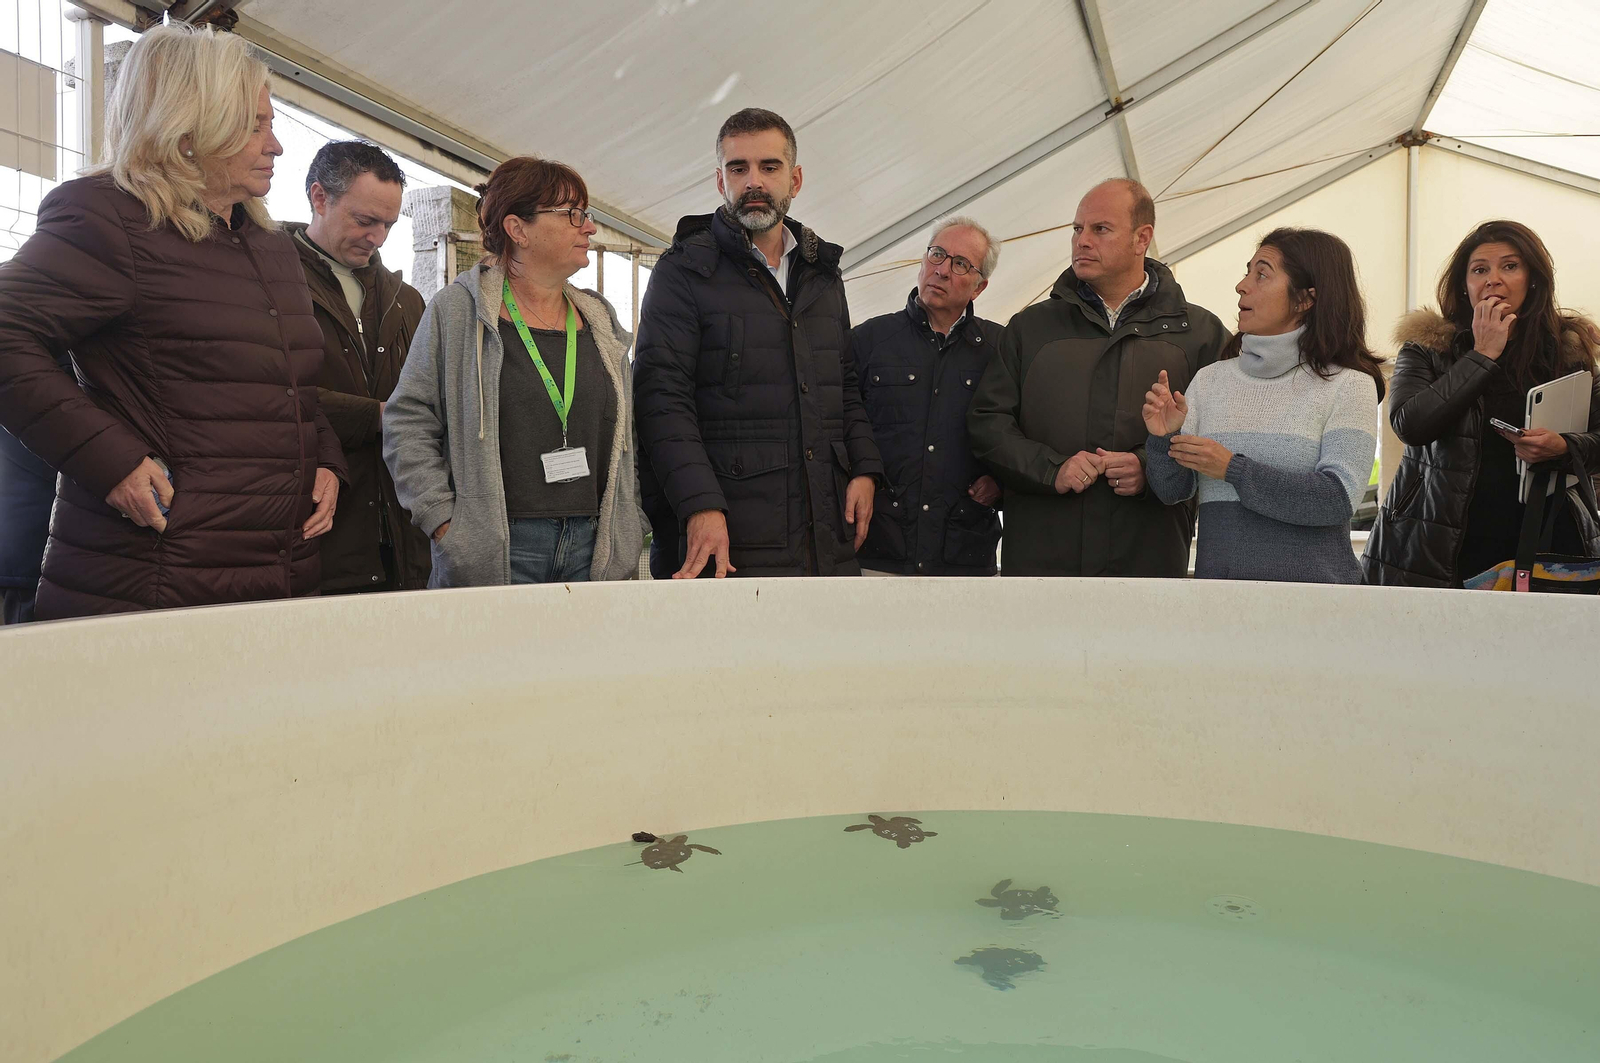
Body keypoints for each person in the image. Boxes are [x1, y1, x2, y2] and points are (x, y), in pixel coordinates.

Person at [0, 24, 345, 620]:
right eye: (255, 125)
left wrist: (327, 462)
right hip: (151, 575)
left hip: (277, 571)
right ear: (190, 129)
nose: (277, 146)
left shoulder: (270, 244)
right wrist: (108, 461)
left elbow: (289, 388)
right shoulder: (107, 217)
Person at [634, 107, 883, 579]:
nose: (754, 181)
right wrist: (699, 505)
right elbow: (660, 401)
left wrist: (865, 469)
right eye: (738, 168)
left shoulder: (822, 274)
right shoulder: (683, 271)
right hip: (728, 536)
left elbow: (844, 384)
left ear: (796, 179)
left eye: (769, 167)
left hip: (825, 532)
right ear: (719, 180)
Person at [383, 156, 647, 586]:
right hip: (497, 550)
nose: (590, 227)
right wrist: (446, 524)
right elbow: (406, 421)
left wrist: (630, 517)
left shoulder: (600, 318)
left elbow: (627, 436)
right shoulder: (457, 312)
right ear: (517, 229)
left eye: (587, 215)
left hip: (594, 548)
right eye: (573, 214)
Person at [968, 179, 1227, 576]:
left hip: (1148, 561)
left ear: (1142, 238)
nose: (1081, 241)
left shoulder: (1201, 334)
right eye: (1077, 229)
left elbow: (1221, 434)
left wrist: (1149, 466)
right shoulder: (1029, 328)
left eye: (1099, 229)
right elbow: (988, 424)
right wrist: (1052, 470)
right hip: (1042, 563)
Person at [1363, 220, 1600, 587]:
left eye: (1510, 266)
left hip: (1547, 540)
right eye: (1479, 270)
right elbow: (1410, 424)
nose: (1493, 279)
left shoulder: (1568, 352)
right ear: (1464, 286)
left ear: (1533, 279)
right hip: (1438, 545)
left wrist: (1565, 446)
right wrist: (1482, 354)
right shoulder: (1427, 348)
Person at [1142, 228, 1382, 583]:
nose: (1242, 285)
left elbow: (1336, 499)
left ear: (1305, 299)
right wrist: (1164, 439)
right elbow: (1173, 491)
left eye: (1262, 273)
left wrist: (1233, 470)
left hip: (1319, 612)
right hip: (1224, 609)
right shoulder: (1209, 381)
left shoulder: (1350, 385)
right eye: (1247, 271)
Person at [290, 140, 429, 594]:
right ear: (318, 197)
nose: (378, 237)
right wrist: (379, 417)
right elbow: (267, 394)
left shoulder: (408, 302)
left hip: (403, 541)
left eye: (388, 224)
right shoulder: (270, 287)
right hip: (313, 531)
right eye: (365, 220)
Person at [852, 216, 1003, 576]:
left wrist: (1003, 482)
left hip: (964, 559)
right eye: (937, 254)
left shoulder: (1001, 350)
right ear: (922, 261)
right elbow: (837, 426)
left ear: (979, 287)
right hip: (876, 552)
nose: (942, 270)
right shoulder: (868, 341)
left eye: (961, 264)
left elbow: (1024, 433)